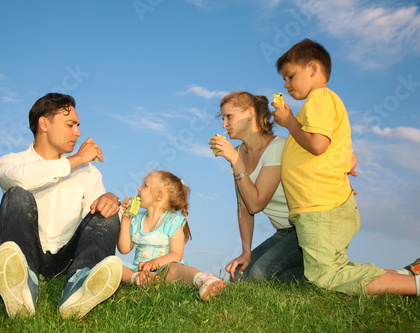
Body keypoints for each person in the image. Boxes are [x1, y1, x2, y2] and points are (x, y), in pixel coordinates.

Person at [271, 38, 419, 296]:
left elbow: (317, 145)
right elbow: (343, 153)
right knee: (330, 269)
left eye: (290, 76)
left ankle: (413, 285)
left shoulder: (320, 98)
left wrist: (290, 122)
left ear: (313, 69)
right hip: (322, 205)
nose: (286, 84)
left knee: (327, 275)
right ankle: (408, 275)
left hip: (321, 207)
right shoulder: (322, 103)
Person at [0, 93, 123, 319]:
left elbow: (97, 217)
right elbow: (22, 180)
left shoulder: (87, 171)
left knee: (107, 212)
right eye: (70, 124)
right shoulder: (11, 162)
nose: (78, 133)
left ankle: (79, 284)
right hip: (27, 253)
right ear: (44, 123)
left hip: (67, 258)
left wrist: (109, 198)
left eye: (78, 125)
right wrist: (77, 159)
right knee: (17, 195)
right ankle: (20, 282)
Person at [209, 92, 304, 282]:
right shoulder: (238, 154)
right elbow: (244, 207)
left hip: (305, 230)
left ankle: (322, 275)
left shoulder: (277, 147)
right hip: (282, 233)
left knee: (260, 274)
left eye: (229, 117)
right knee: (239, 276)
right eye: (223, 118)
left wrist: (236, 161)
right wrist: (246, 252)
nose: (224, 125)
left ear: (250, 113)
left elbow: (256, 204)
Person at [117, 170, 227, 301]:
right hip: (138, 270)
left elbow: (176, 254)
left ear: (159, 195)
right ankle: (137, 279)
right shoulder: (136, 220)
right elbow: (124, 249)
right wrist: (126, 219)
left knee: (175, 268)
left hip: (164, 269)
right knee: (116, 265)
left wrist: (155, 263)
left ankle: (203, 279)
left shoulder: (172, 221)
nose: (139, 188)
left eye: (145, 185)